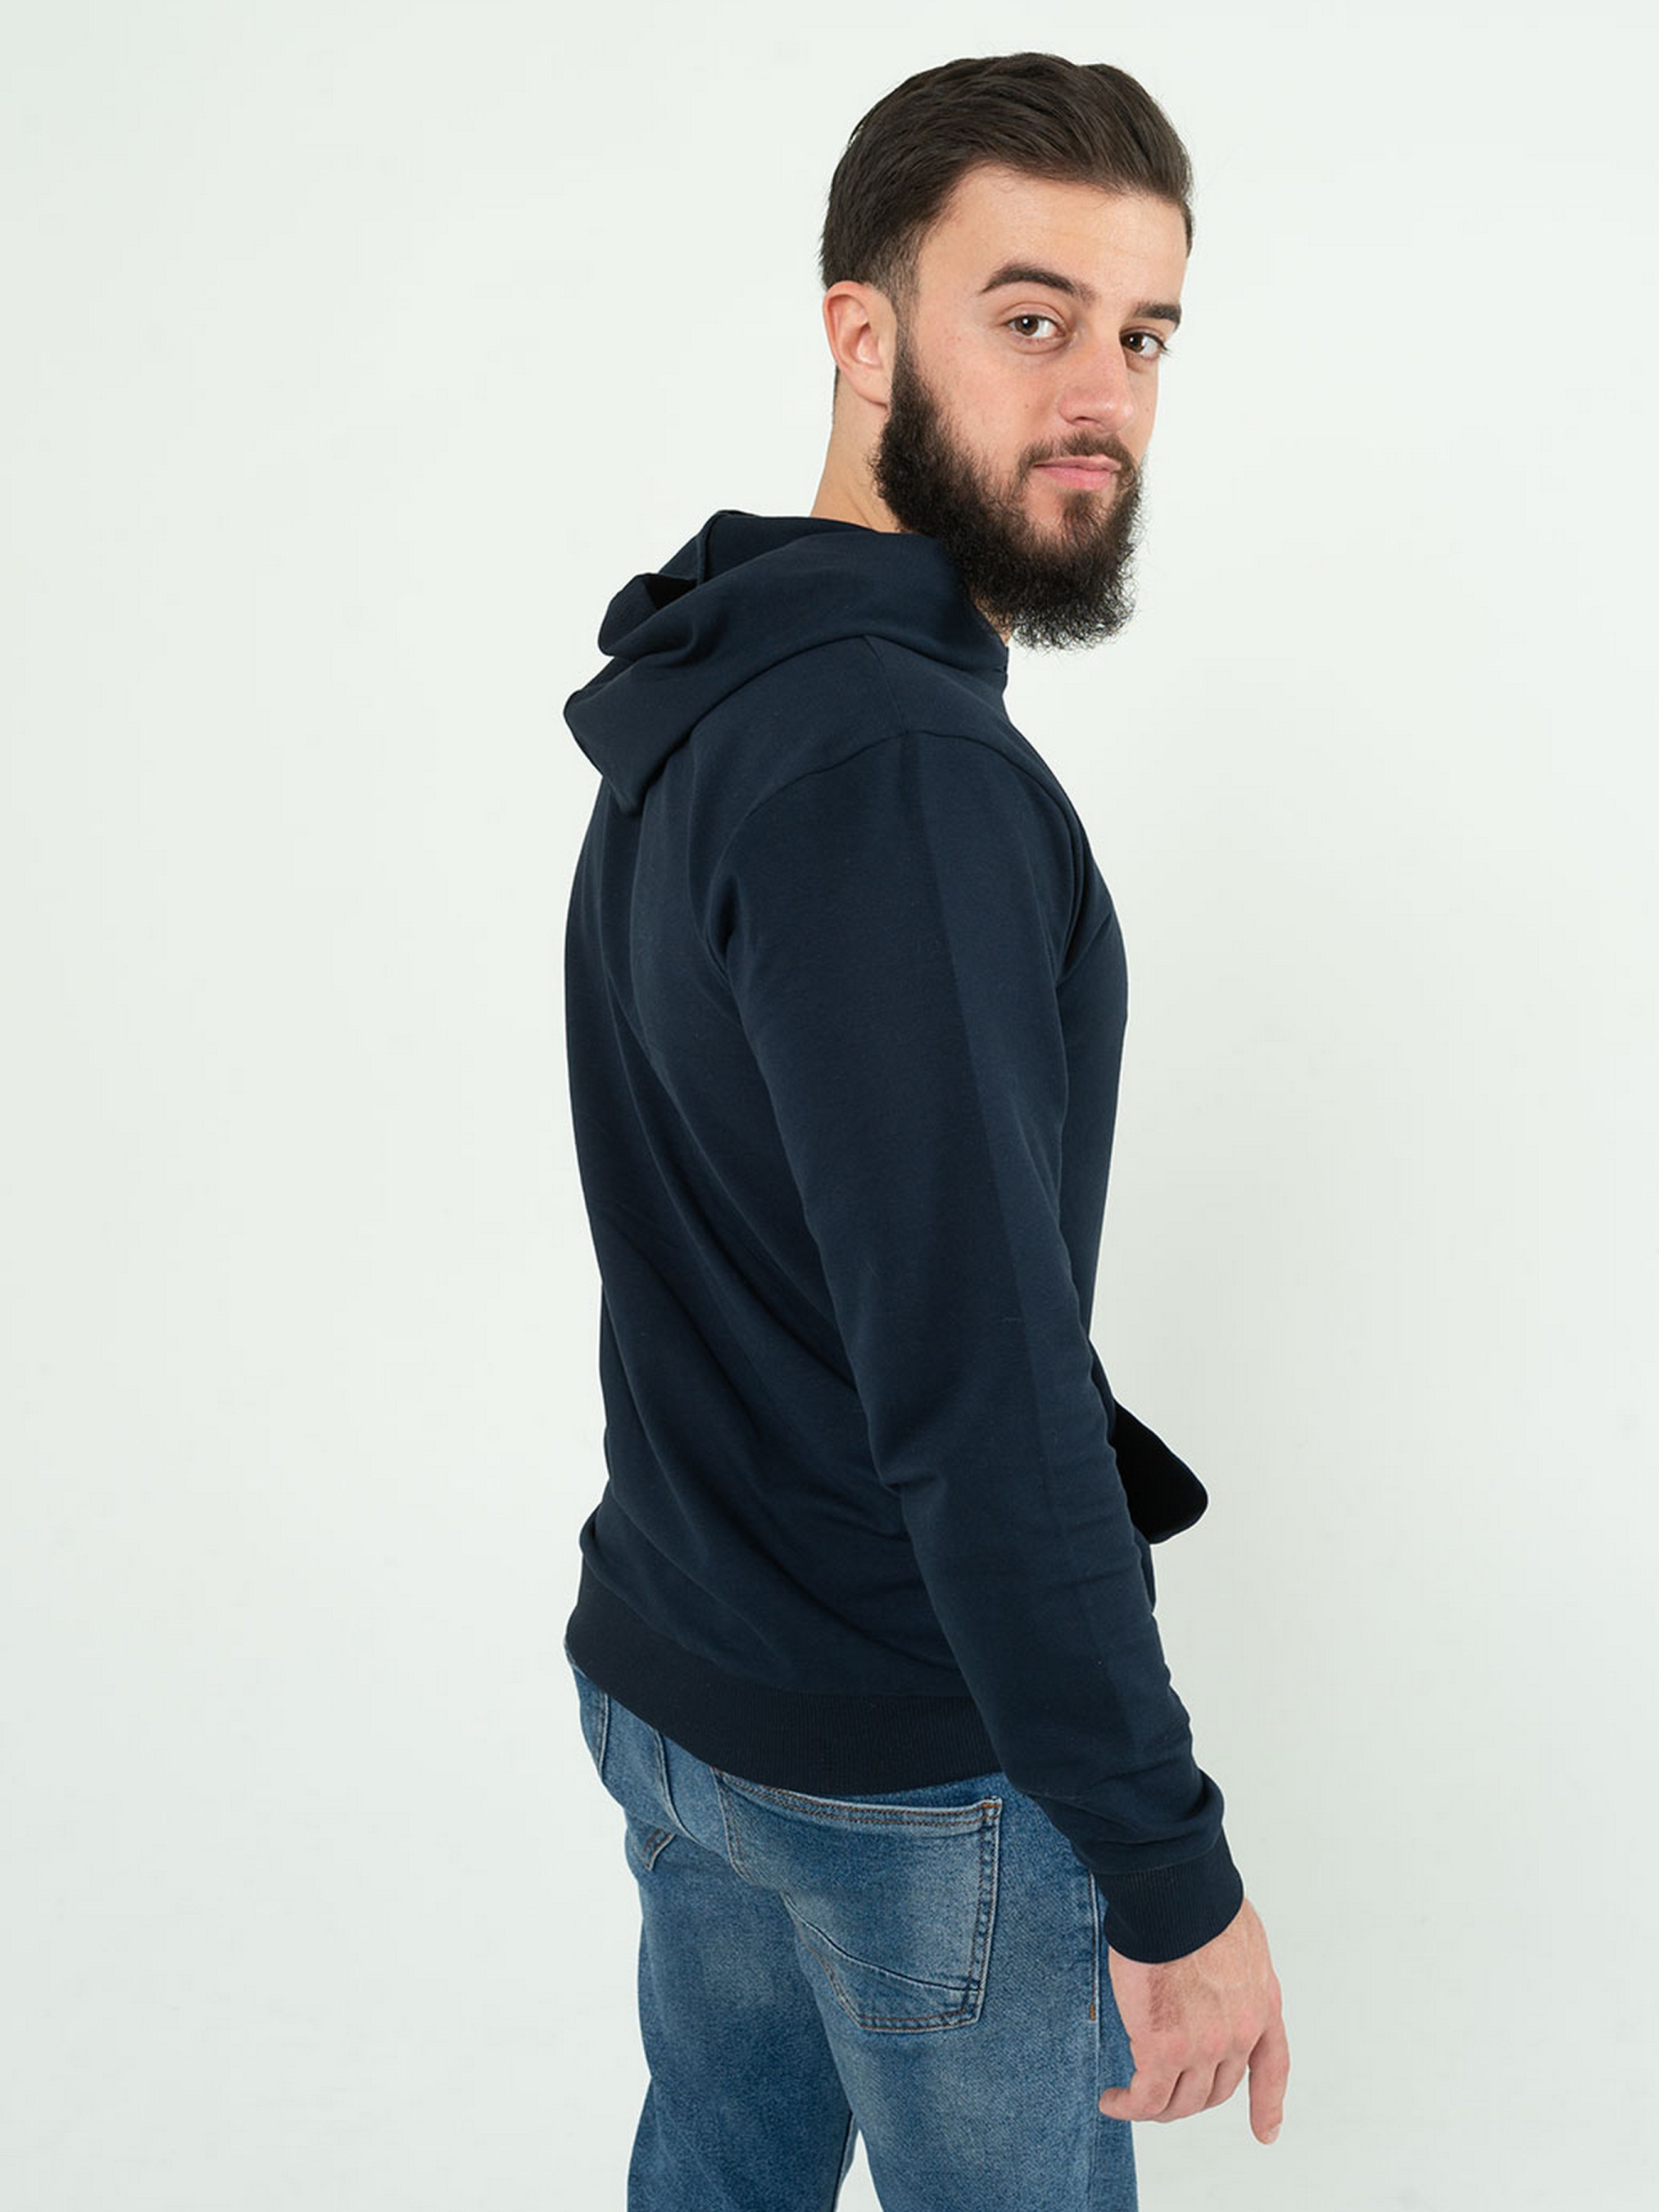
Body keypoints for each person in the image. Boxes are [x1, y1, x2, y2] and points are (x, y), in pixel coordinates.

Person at [561, 50, 1289, 2212]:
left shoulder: (727, 689)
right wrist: (1167, 1870)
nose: (1102, 395)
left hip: (686, 1691)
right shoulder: (898, 775)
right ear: (862, 333)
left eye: (1143, 335)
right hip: (897, 1777)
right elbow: (976, 1390)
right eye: (1031, 315)